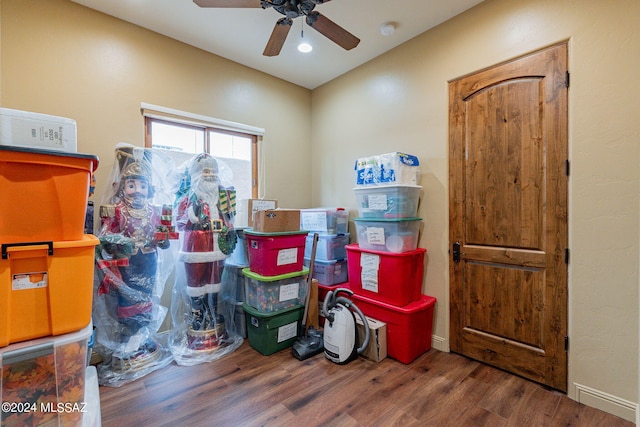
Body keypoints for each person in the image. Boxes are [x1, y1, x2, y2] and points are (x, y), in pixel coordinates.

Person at [96, 150, 173, 373]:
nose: (137, 191)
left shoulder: (154, 211)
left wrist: (164, 240)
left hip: (149, 261)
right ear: (123, 187)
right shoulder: (118, 210)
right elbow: (105, 238)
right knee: (126, 303)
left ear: (149, 188)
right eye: (131, 185)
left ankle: (143, 338)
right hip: (125, 265)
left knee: (147, 300)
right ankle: (130, 342)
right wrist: (118, 242)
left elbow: (164, 238)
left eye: (142, 185)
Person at [175, 153, 237, 351]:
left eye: (213, 172)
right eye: (205, 172)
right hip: (197, 247)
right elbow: (180, 221)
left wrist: (227, 225)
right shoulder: (189, 198)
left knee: (215, 281)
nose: (210, 176)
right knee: (196, 281)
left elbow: (230, 217)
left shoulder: (222, 196)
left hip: (218, 247)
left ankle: (212, 312)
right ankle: (198, 315)